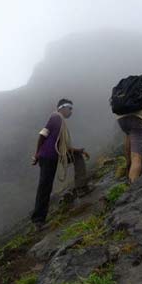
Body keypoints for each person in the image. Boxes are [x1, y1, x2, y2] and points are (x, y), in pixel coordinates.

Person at [31, 98, 90, 229]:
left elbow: (62, 145)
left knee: (77, 156)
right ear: (62, 108)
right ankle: (38, 219)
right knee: (45, 186)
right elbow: (42, 135)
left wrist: (79, 150)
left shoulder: (61, 122)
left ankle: (81, 188)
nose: (71, 111)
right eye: (70, 108)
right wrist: (37, 155)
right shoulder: (56, 117)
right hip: (47, 157)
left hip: (56, 155)